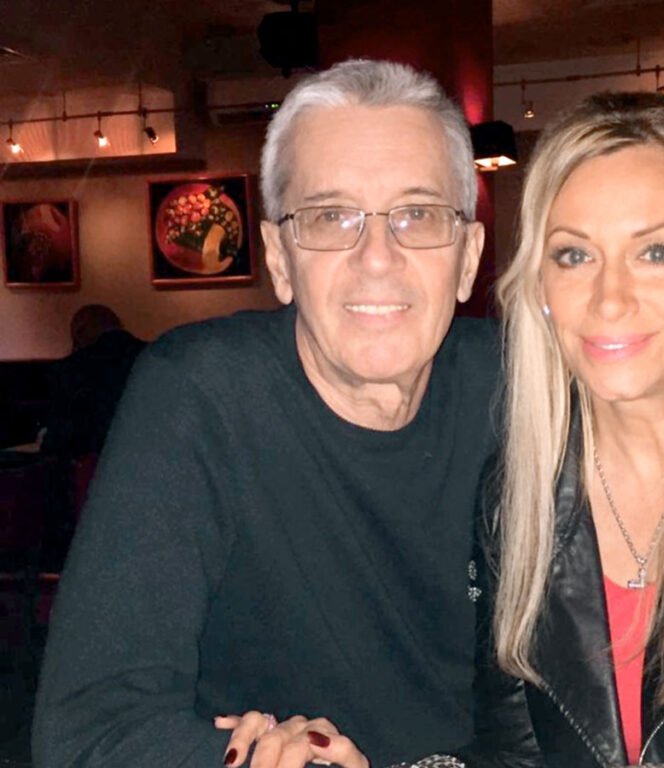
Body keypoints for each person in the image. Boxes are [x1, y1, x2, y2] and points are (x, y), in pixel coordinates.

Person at [223, 92, 664, 768]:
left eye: (656, 251)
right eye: (573, 255)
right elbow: (514, 755)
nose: (609, 297)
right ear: (541, 284)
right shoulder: (520, 493)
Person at [32, 59, 498, 768]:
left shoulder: (520, 387)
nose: (378, 257)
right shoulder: (202, 394)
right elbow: (86, 733)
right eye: (331, 217)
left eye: (417, 214)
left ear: (467, 257)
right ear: (279, 258)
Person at [41, 304, 146, 457]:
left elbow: (59, 437)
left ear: (80, 333)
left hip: (92, 463)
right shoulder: (150, 356)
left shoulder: (70, 369)